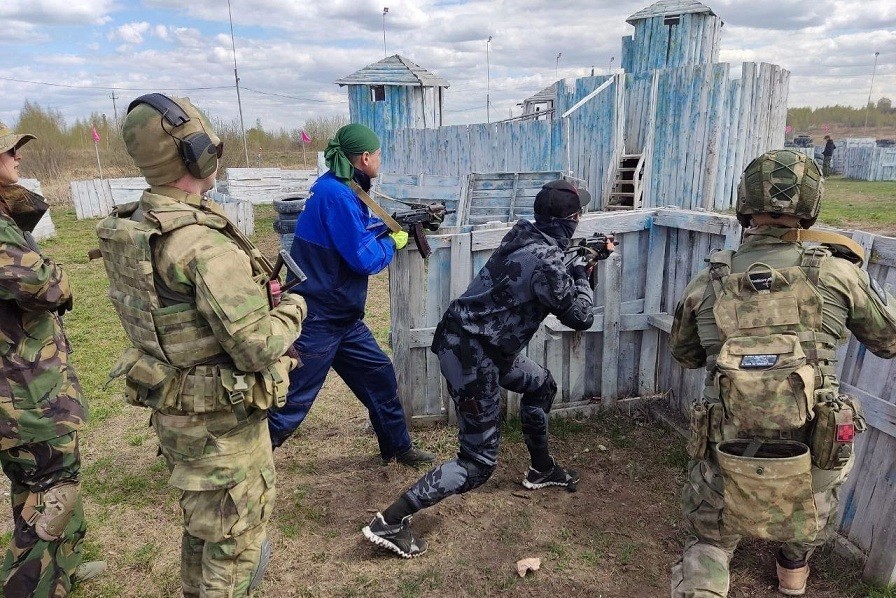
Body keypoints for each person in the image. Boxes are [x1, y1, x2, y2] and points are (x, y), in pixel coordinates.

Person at [96, 94, 306, 596]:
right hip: (222, 425)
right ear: (194, 156)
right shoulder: (200, 243)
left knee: (204, 528)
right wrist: (294, 309)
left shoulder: (134, 225)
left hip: (177, 412)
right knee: (234, 543)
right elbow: (256, 347)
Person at [669, 149, 896, 597]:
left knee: (710, 540)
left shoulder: (707, 282)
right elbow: (888, 342)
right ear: (810, 206)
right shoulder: (837, 274)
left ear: (744, 204)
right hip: (814, 438)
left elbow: (686, 355)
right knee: (805, 515)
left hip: (727, 438)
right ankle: (792, 579)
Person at [363, 180, 598, 558]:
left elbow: (545, 267)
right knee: (477, 463)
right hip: (472, 358)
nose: (579, 220)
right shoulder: (548, 260)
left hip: (483, 347)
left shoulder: (524, 236)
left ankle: (541, 470)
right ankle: (390, 521)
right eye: (576, 216)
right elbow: (580, 316)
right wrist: (585, 273)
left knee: (541, 386)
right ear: (565, 221)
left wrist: (576, 259)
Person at [266, 123, 434, 467]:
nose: (381, 161)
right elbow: (364, 259)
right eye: (379, 155)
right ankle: (238, 464)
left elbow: (350, 235)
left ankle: (398, 449)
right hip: (319, 317)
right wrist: (393, 242)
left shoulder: (337, 186)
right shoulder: (337, 195)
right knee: (292, 401)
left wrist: (388, 224)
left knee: (380, 377)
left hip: (342, 316)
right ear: (366, 157)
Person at [0, 123, 106, 596]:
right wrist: (59, 275)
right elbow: (45, 286)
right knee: (49, 490)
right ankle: (33, 586)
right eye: (8, 153)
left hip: (26, 386)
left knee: (42, 484)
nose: (17, 159)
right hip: (23, 395)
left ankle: (60, 567)